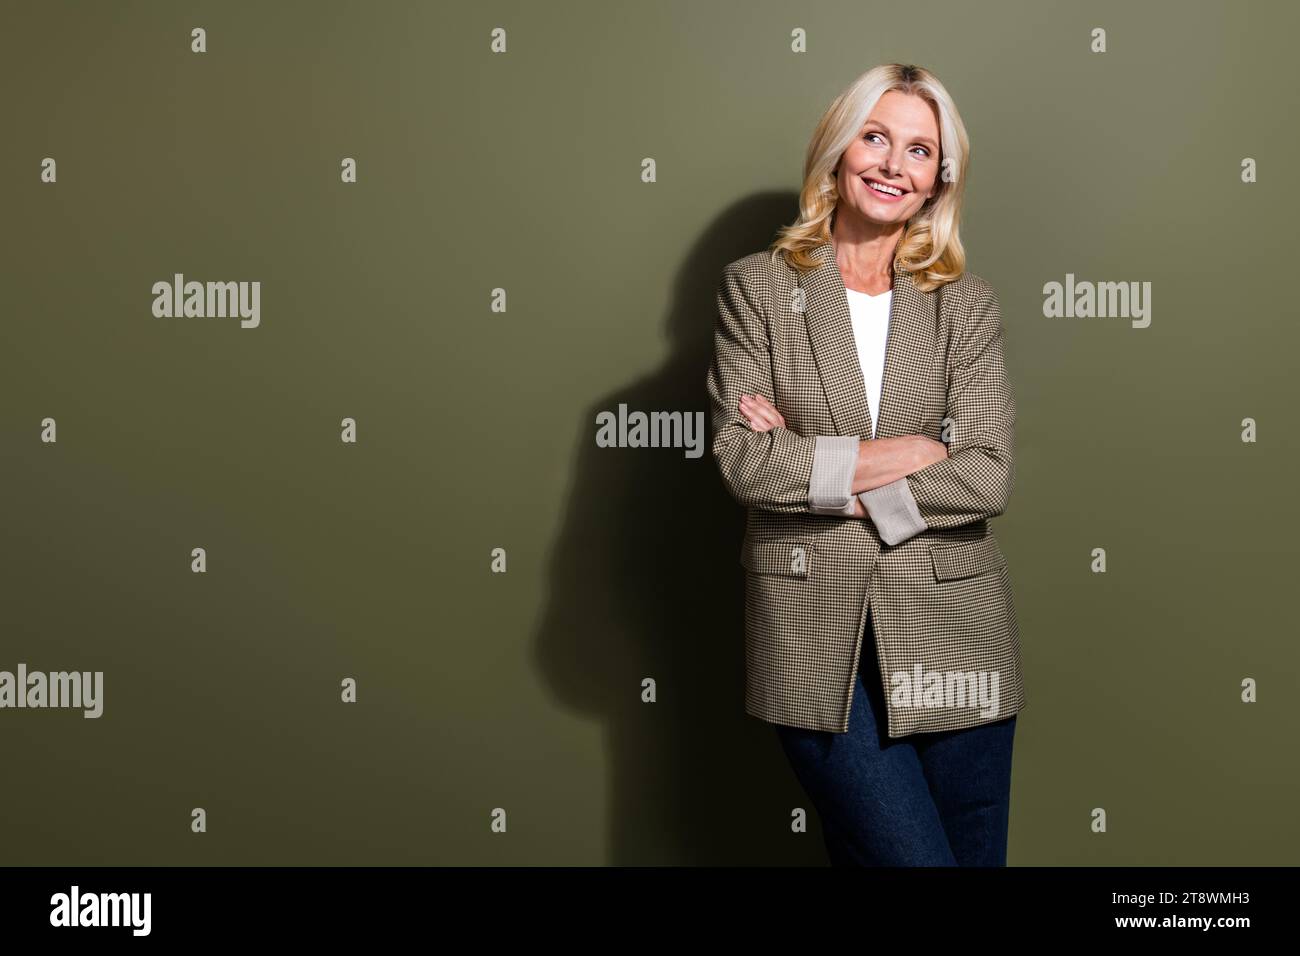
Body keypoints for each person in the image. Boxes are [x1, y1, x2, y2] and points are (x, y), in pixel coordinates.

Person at [706, 63, 1024, 866]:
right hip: (814, 647)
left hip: (959, 642)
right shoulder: (756, 289)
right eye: (875, 138)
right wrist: (913, 455)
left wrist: (828, 480)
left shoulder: (966, 304)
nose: (892, 164)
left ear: (936, 181)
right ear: (839, 152)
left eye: (919, 151)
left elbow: (988, 473)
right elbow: (746, 460)